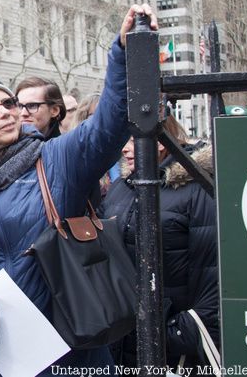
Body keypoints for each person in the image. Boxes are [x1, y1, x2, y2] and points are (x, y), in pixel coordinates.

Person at [0, 4, 157, 376]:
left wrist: (122, 52)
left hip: (66, 342)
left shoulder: (55, 158)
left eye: (9, 102)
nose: (7, 111)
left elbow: (109, 125)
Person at [100, 115, 218, 373]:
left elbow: (213, 272)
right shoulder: (122, 187)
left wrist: (174, 332)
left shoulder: (197, 189)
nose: (125, 148)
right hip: (125, 340)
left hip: (173, 348)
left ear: (159, 141)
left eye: (130, 140)